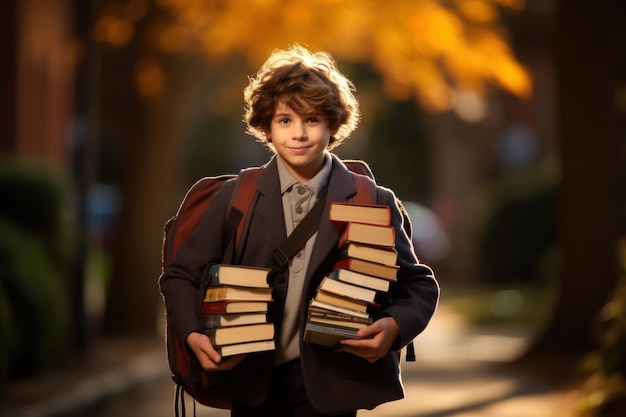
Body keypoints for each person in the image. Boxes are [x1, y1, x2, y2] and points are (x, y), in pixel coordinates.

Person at [159, 44, 440, 417]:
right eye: (285, 120)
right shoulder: (235, 197)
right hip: (253, 382)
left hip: (332, 387)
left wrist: (394, 327)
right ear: (266, 127)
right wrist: (193, 334)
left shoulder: (373, 199)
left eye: (312, 120)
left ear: (333, 124)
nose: (299, 133)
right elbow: (179, 275)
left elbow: (418, 284)